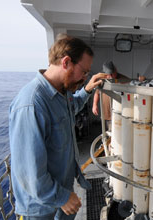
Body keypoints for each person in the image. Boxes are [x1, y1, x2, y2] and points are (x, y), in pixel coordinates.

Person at [9, 35, 108, 220]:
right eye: (84, 72)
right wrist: (62, 197)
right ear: (66, 62)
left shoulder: (62, 93)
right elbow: (30, 174)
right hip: (41, 206)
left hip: (62, 190)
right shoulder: (31, 105)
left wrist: (86, 90)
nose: (84, 77)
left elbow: (72, 107)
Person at [91, 61, 129, 130]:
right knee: (109, 133)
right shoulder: (102, 80)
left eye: (112, 74)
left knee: (119, 133)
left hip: (120, 113)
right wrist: (94, 105)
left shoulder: (123, 79)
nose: (111, 76)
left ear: (116, 71)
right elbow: (97, 93)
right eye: (109, 74)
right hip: (107, 114)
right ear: (104, 74)